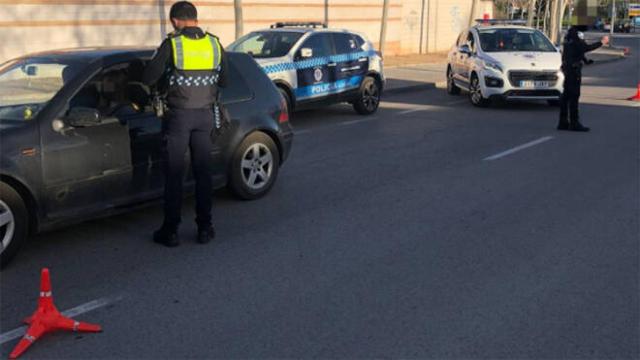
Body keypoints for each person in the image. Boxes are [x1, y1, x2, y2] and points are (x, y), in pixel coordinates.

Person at [142, 1, 227, 247]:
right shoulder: (215, 43)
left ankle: (170, 231)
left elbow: (149, 77)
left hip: (179, 117)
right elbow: (226, 80)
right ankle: (205, 228)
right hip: (205, 116)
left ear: (175, 21)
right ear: (196, 19)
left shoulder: (172, 44)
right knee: (203, 173)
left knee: (175, 174)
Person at [557, 28, 609, 132]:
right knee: (574, 96)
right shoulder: (576, 38)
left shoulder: (568, 39)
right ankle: (574, 123)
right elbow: (586, 48)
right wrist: (601, 42)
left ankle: (563, 122)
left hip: (568, 69)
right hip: (573, 71)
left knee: (566, 96)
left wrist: (586, 61)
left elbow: (578, 52)